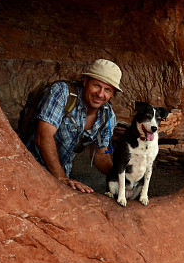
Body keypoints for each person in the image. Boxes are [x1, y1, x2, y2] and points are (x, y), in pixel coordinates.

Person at [25, 59, 120, 193]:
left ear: (112, 94)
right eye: (96, 85)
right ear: (85, 81)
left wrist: (120, 175)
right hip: (30, 166)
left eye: (108, 90)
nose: (100, 94)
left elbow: (100, 155)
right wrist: (61, 177)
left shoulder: (108, 116)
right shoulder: (63, 93)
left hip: (62, 174)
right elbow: (43, 136)